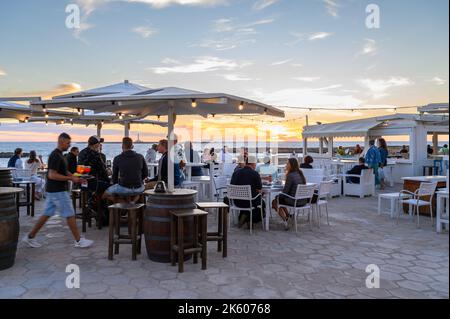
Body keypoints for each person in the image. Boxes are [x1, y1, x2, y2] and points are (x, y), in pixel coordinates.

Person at [22, 133, 94, 249]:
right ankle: (78, 240)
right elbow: (52, 175)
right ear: (61, 141)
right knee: (70, 214)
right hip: (58, 190)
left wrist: (77, 177)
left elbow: (64, 172)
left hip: (53, 190)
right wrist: (71, 178)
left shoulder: (60, 155)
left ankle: (30, 237)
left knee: (46, 214)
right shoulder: (55, 155)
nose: (69, 145)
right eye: (67, 143)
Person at [78, 136, 111, 225]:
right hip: (93, 185)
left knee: (104, 187)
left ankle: (94, 207)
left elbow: (80, 171)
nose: (100, 145)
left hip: (83, 184)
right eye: (99, 144)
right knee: (110, 188)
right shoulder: (96, 154)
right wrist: (109, 180)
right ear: (96, 145)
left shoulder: (81, 153)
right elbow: (103, 171)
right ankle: (103, 214)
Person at [229, 155, 265, 228]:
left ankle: (245, 218)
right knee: (262, 204)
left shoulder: (236, 173)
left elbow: (231, 186)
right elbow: (259, 189)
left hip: (236, 201)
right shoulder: (255, 174)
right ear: (253, 164)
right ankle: (248, 218)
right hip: (249, 201)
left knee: (250, 201)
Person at [272, 158, 307, 230]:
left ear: (292, 165)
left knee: (275, 202)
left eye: (287, 163)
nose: (286, 165)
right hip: (303, 201)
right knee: (279, 199)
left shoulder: (290, 175)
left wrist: (277, 196)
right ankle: (289, 216)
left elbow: (285, 192)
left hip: (295, 201)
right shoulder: (300, 173)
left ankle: (286, 220)